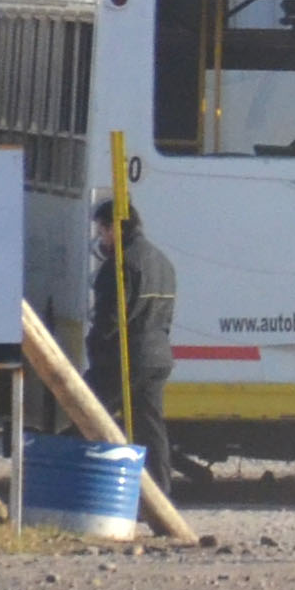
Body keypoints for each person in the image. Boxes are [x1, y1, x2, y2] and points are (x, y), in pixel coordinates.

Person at [85, 192, 181, 481]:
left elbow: (109, 320)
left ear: (114, 227)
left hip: (126, 358)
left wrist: (96, 352)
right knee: (150, 431)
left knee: (81, 412)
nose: (101, 239)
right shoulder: (162, 262)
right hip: (158, 357)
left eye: (102, 230)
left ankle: (74, 485)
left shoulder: (120, 265)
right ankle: (159, 499)